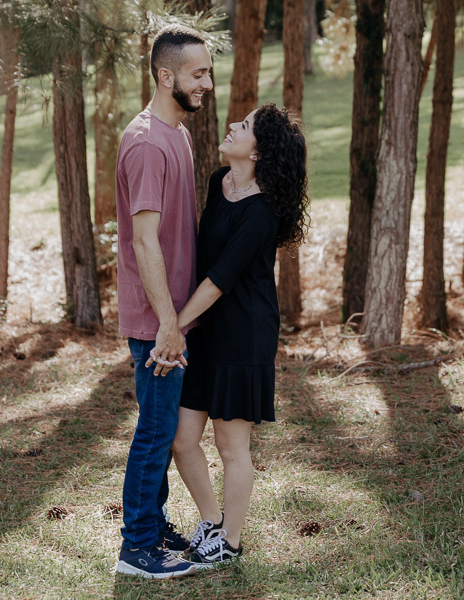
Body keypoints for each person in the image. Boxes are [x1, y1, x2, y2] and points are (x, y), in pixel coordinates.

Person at [150, 103, 310, 568]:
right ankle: (213, 524)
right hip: (205, 328)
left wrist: (171, 327)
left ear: (259, 152)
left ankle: (231, 542)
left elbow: (220, 278)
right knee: (181, 439)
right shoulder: (220, 182)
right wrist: (180, 325)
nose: (232, 127)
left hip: (245, 335)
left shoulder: (262, 213)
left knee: (230, 446)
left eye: (244, 127)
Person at [113, 24, 213, 579]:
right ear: (165, 75)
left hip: (175, 316)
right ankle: (137, 547)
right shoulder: (148, 142)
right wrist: (168, 326)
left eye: (208, 73)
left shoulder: (178, 133)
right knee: (155, 430)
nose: (207, 84)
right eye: (198, 74)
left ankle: (152, 523)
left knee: (163, 422)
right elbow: (143, 240)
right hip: (159, 321)